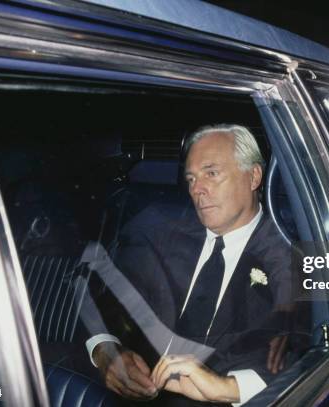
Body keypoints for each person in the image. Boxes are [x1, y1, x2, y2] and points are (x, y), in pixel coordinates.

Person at [84, 124, 299, 405]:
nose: (197, 189)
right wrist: (105, 349)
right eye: (191, 178)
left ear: (254, 176)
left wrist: (229, 388)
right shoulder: (160, 231)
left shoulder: (296, 254)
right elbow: (106, 298)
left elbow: (315, 349)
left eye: (211, 173)